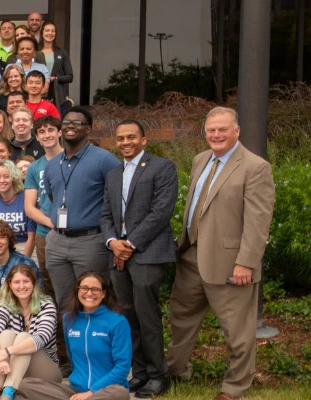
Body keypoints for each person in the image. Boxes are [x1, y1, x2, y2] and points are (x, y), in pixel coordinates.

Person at [167, 107, 274, 400]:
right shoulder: (201, 159)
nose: (216, 135)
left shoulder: (255, 167)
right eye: (211, 130)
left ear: (237, 131)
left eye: (222, 130)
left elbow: (258, 220)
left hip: (231, 264)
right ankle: (177, 372)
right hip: (190, 256)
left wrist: (246, 263)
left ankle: (234, 388)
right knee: (180, 319)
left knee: (238, 332)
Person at [96, 120, 178, 398]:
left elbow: (161, 212)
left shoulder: (162, 167)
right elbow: (106, 214)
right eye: (120, 138)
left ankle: (158, 376)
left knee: (147, 316)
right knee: (127, 317)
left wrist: (129, 244)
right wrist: (112, 243)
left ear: (144, 140)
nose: (125, 142)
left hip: (147, 253)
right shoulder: (114, 174)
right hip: (118, 255)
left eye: (131, 137)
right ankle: (140, 373)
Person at [41, 107, 120, 307]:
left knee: (93, 300)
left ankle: (96, 339)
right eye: (66, 123)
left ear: (88, 129)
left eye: (77, 123)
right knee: (65, 302)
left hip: (90, 242)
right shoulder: (52, 164)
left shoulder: (104, 160)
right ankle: (70, 339)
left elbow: (118, 198)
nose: (70, 127)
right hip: (57, 241)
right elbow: (54, 196)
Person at [16, 271, 131, 400]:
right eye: (84, 288)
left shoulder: (117, 322)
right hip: (75, 391)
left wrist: (92, 391)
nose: (89, 293)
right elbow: (71, 356)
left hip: (105, 391)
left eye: (95, 289)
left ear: (103, 293)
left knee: (119, 393)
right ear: (77, 291)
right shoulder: (69, 319)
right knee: (25, 385)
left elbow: (122, 367)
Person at [0, 264, 60, 400]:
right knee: (6, 334)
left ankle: (7, 393)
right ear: (10, 284)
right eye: (17, 282)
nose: (22, 286)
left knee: (24, 336)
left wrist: (5, 352)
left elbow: (40, 338)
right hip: (15, 369)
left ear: (34, 283)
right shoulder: (7, 304)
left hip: (45, 371)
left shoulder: (47, 305)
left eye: (26, 281)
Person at [23, 116, 63, 299]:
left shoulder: (71, 160)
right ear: (36, 137)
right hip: (44, 233)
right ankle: (55, 327)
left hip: (72, 232)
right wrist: (52, 223)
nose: (47, 135)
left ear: (59, 132)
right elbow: (30, 207)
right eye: (41, 132)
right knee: (49, 284)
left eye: (51, 130)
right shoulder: (34, 167)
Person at [0, 160, 34, 253]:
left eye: (6, 176)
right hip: (0, 246)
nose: (2, 180)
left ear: (14, 178)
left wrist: (23, 262)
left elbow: (32, 238)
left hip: (25, 246)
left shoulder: (26, 198)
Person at [35, 22, 73, 113]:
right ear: (42, 33)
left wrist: (55, 78)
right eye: (47, 30)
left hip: (58, 96)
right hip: (38, 94)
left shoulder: (62, 53)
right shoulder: (35, 52)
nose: (50, 33)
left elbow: (70, 76)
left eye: (53, 31)